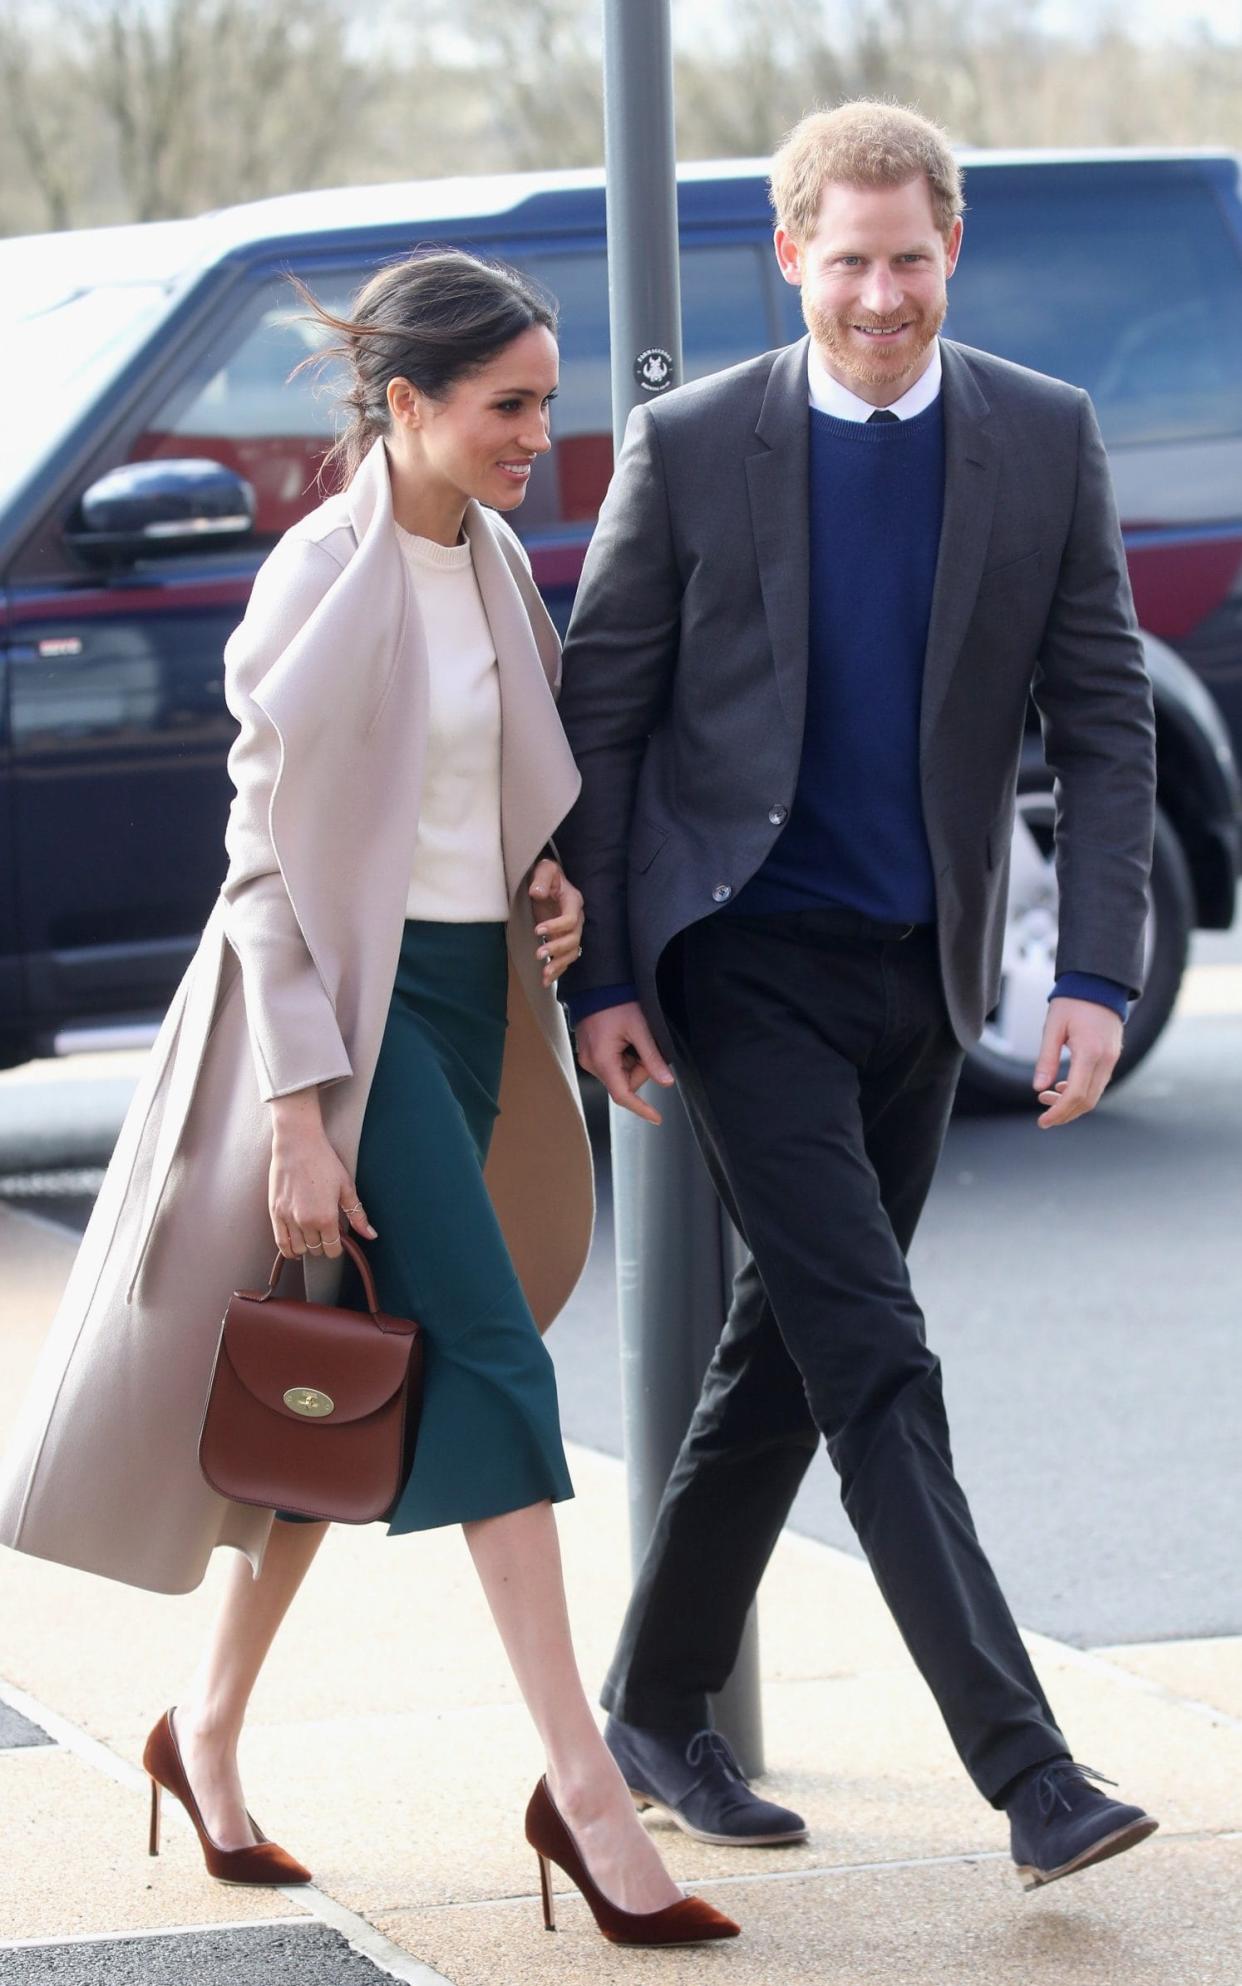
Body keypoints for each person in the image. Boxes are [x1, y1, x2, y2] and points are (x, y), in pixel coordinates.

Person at [0, 251, 738, 1948]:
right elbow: (262, 863)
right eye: (508, 408)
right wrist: (298, 1109)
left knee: (358, 1388)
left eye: (550, 403)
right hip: (348, 1012)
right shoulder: (317, 577)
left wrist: (547, 893)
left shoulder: (486, 565)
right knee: (483, 1350)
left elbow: (490, 793)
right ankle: (583, 1780)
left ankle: (204, 1728)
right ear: (405, 406)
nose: (541, 441)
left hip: (475, 1001)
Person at [556, 100, 1160, 1892]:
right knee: (875, 1353)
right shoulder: (692, 443)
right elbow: (602, 717)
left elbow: (1104, 717)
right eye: (849, 262)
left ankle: (653, 1703)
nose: (880, 296)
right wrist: (597, 970)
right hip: (736, 960)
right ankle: (1027, 1767)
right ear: (789, 255)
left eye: (909, 260)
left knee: (794, 1349)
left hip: (921, 969)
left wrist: (1098, 970)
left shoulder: (1040, 439)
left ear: (948, 251)